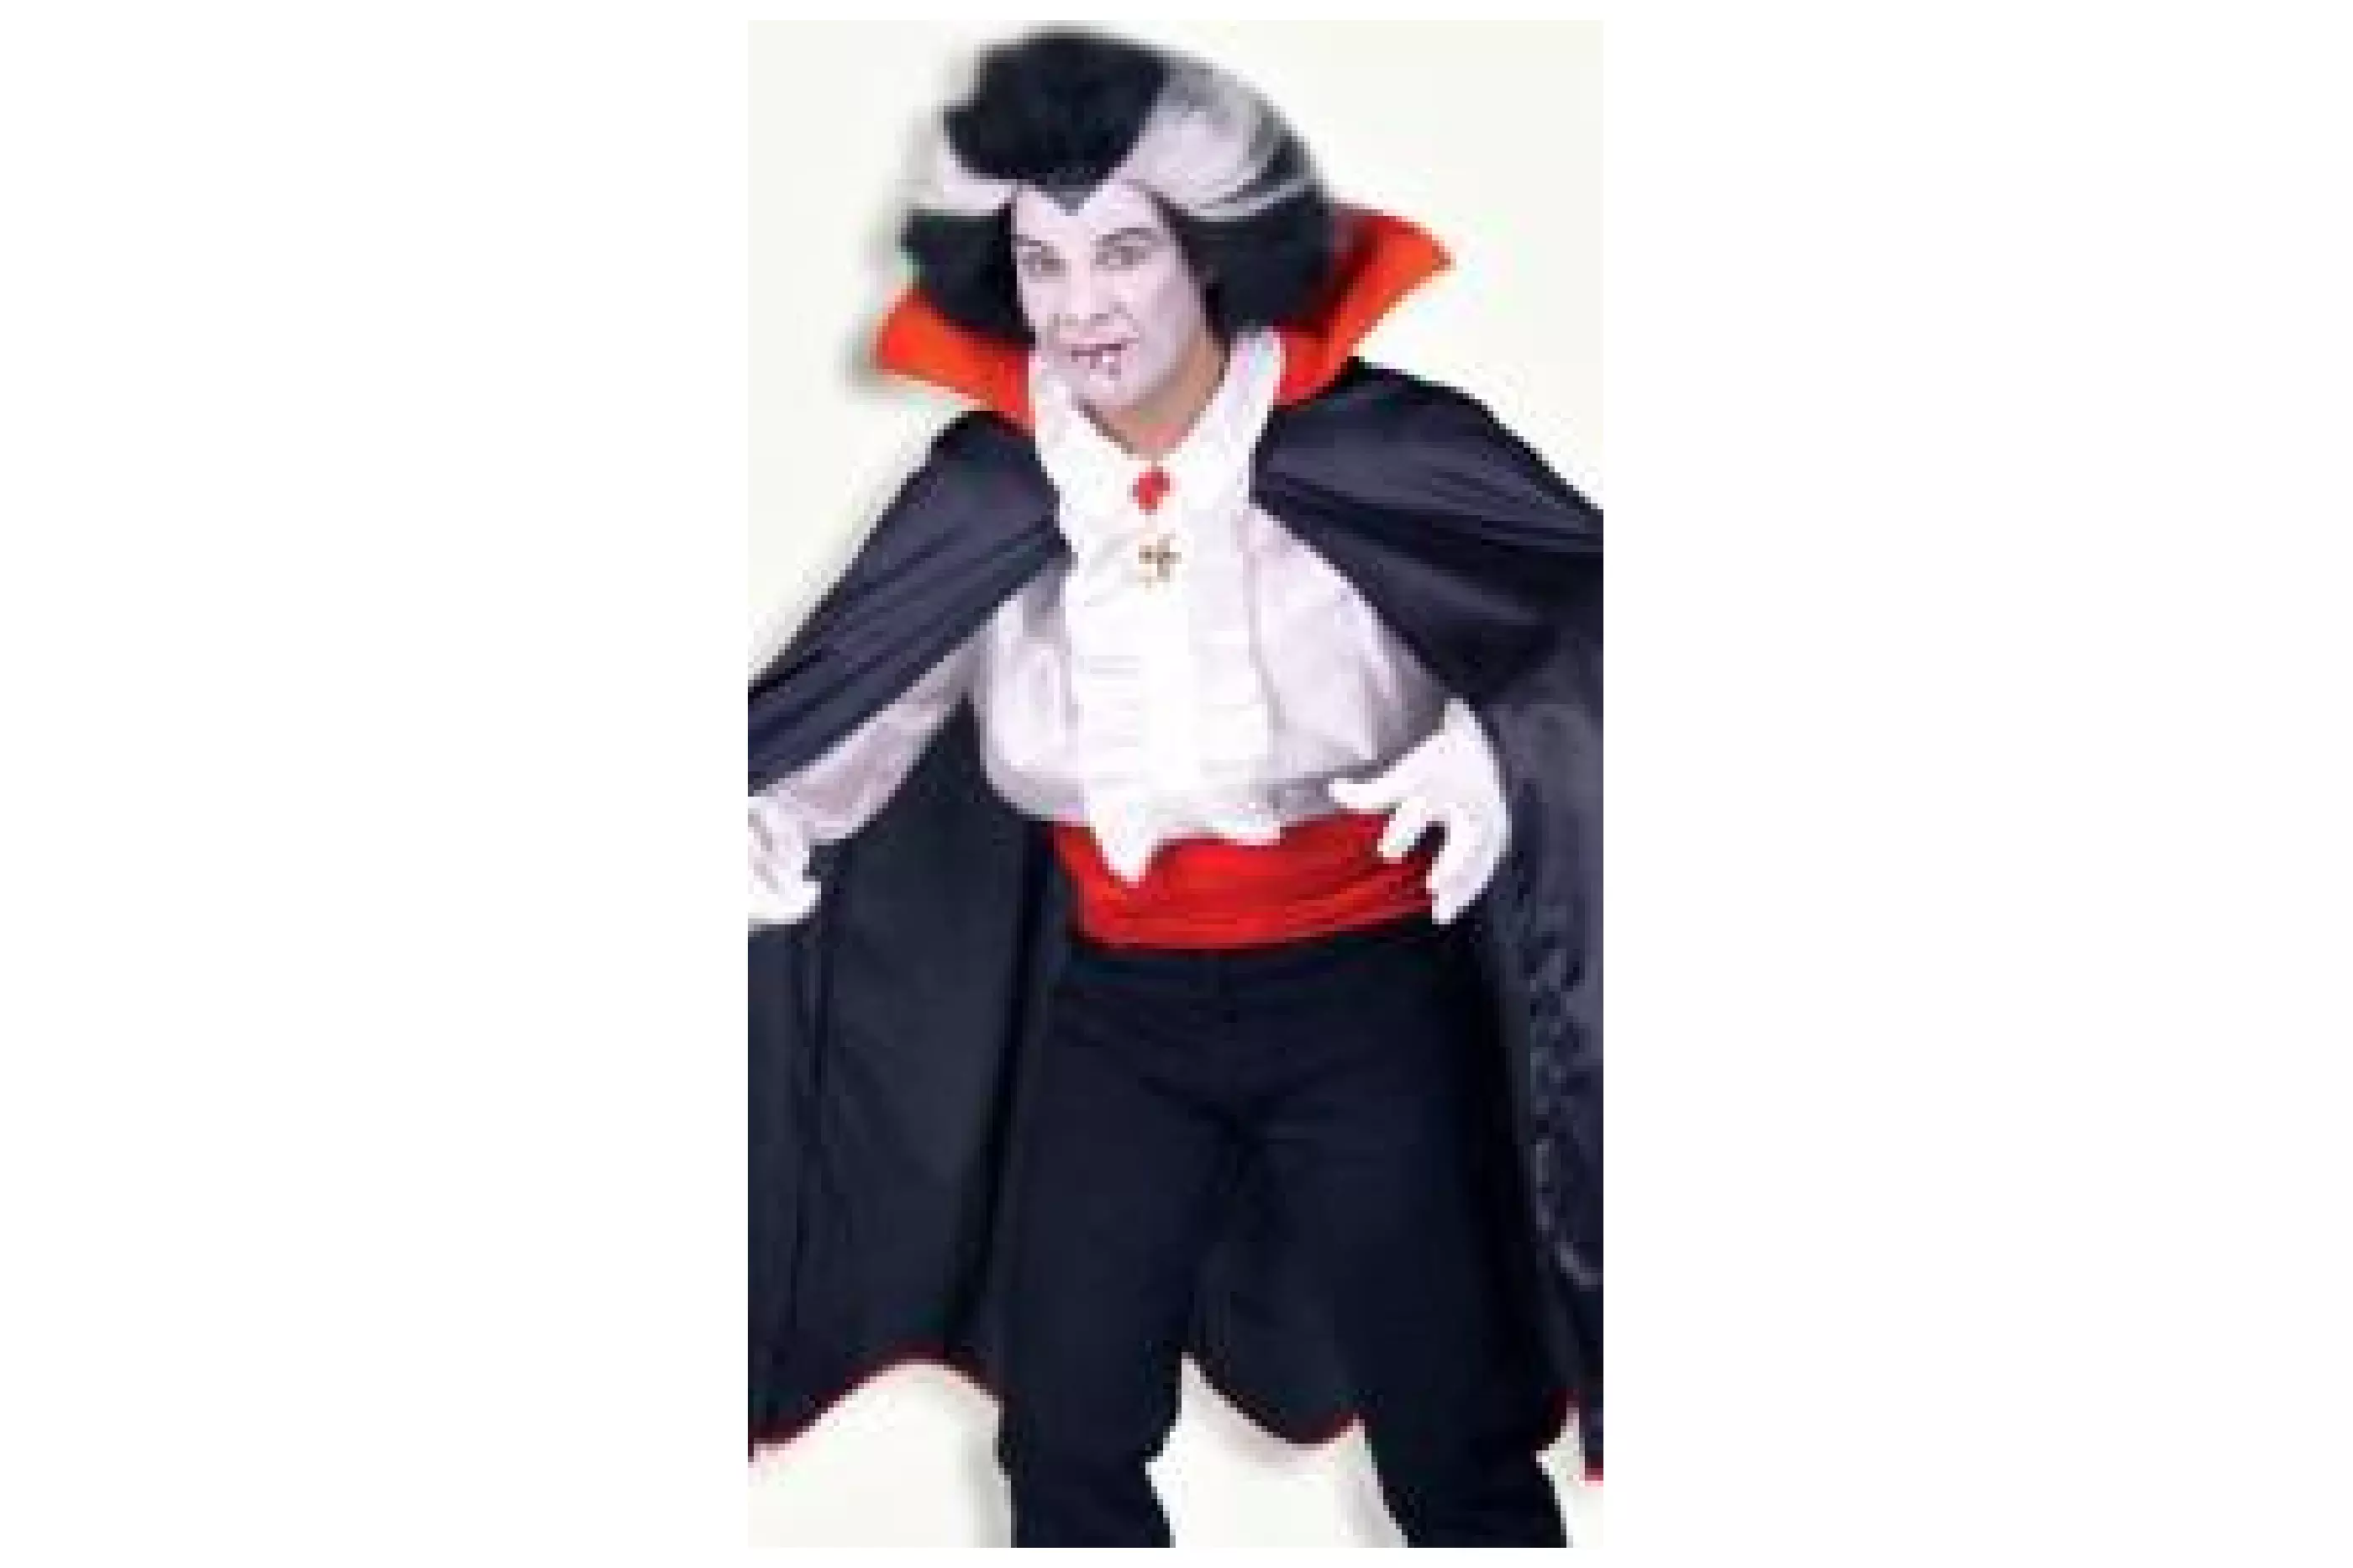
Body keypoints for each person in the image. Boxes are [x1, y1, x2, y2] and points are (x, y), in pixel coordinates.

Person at [748, 28, 1600, 1547]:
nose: (1081, 306)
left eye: (1124, 253)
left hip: (1370, 997)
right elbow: (863, 702)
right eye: (1044, 261)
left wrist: (1500, 750)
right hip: (1122, 1010)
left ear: (1210, 253)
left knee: (1453, 1443)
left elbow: (1602, 626)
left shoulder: (1382, 449)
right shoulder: (989, 493)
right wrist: (765, 815)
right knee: (1063, 1442)